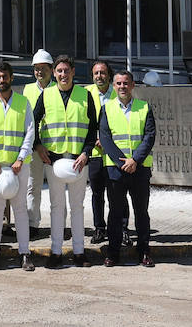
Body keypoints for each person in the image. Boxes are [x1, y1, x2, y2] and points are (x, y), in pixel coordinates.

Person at [32, 54, 97, 268]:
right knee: (56, 207)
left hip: (79, 161)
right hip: (54, 160)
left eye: (66, 70)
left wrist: (87, 153)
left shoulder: (84, 95)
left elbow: (92, 128)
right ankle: (56, 252)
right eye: (59, 71)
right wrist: (38, 146)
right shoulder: (47, 95)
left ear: (72, 72)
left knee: (77, 207)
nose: (62, 74)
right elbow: (32, 122)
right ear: (54, 73)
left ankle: (79, 252)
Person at [0, 60, 36, 271]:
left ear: (11, 78)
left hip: (19, 166)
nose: (2, 80)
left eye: (5, 77)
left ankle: (25, 253)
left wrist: (21, 158)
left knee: (20, 210)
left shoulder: (23, 102)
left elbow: (30, 132)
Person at [98, 69, 157, 267]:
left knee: (141, 212)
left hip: (139, 169)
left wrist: (135, 160)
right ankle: (113, 253)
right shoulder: (106, 108)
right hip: (115, 170)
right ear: (114, 87)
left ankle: (144, 252)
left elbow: (149, 136)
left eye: (126, 83)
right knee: (115, 212)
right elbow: (105, 138)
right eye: (119, 84)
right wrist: (122, 162)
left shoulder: (144, 107)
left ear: (132, 86)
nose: (122, 87)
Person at [22, 48, 55, 232]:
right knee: (32, 185)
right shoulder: (27, 90)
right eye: (36, 68)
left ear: (51, 69)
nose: (39, 72)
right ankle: (32, 223)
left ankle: (58, 224)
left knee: (56, 188)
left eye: (43, 68)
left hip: (55, 144)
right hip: (34, 145)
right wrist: (35, 144)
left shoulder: (59, 89)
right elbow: (27, 120)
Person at [85, 60, 114, 244]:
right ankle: (99, 228)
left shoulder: (118, 92)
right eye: (96, 73)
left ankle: (121, 228)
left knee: (117, 193)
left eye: (102, 73)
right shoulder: (87, 93)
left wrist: (107, 141)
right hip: (95, 152)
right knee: (97, 194)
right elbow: (85, 120)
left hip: (114, 153)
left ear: (109, 76)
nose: (99, 77)